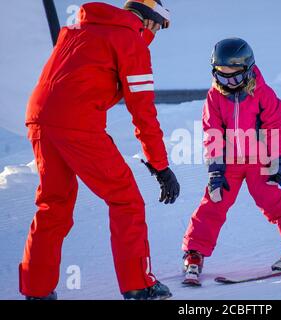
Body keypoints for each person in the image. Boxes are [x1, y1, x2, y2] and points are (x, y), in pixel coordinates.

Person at [20, 0, 179, 300]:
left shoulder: (79, 28)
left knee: (53, 204)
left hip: (38, 117)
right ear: (148, 20)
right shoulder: (130, 39)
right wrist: (160, 166)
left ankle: (36, 290)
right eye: (158, 27)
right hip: (76, 123)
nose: (155, 35)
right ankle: (138, 285)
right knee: (126, 200)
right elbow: (142, 111)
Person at [182, 38, 281, 282]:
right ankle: (194, 252)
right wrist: (215, 170)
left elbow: (274, 127)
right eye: (221, 76)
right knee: (214, 200)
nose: (228, 83)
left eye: (234, 77)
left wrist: (278, 159)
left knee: (274, 201)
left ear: (247, 70)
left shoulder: (263, 94)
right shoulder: (215, 96)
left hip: (260, 159)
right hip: (230, 162)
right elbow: (212, 132)